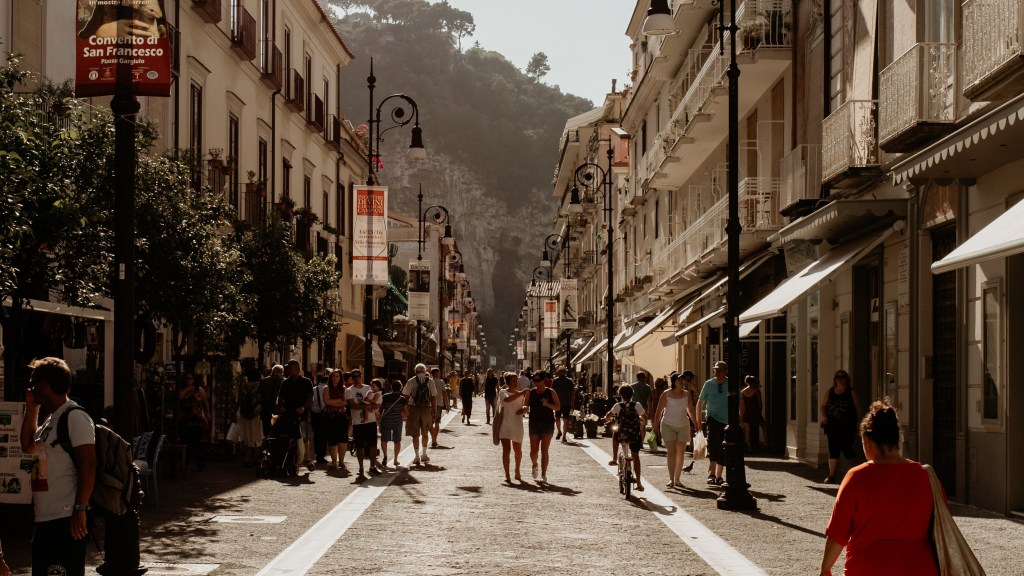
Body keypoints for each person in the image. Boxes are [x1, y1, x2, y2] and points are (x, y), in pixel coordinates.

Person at [819, 400, 938, 576]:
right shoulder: (926, 476)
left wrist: (825, 570)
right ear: (898, 440)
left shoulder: (856, 477)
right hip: (919, 568)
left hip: (868, 569)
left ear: (867, 441)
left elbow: (838, 534)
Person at [20, 357, 96, 576]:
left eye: (34, 384)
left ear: (45, 386)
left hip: (65, 519)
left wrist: (80, 509)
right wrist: (32, 408)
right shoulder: (51, 419)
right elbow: (27, 446)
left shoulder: (75, 416)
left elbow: (89, 464)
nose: (31, 388)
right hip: (45, 517)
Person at [652, 372, 696, 488]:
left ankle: (677, 479)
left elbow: (690, 410)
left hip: (683, 426)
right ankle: (671, 479)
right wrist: (655, 426)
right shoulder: (666, 394)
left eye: (682, 380)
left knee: (680, 452)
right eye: (679, 380)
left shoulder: (686, 394)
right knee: (672, 452)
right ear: (673, 381)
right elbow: (659, 410)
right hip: (668, 425)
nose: (681, 382)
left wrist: (697, 424)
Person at [820, 369, 862, 484]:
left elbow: (858, 407)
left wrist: (859, 422)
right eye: (838, 377)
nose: (840, 379)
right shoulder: (830, 391)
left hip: (847, 426)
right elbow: (823, 406)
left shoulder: (850, 392)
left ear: (846, 379)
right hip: (832, 426)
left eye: (842, 377)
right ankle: (832, 475)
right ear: (835, 379)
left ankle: (857, 473)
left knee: (847, 449)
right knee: (833, 449)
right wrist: (824, 417)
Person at [604, 384, 647, 491]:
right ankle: (638, 483)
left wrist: (606, 418)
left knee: (615, 434)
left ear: (620, 395)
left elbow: (608, 416)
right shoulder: (637, 405)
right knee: (635, 456)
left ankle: (614, 458)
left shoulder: (618, 406)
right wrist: (641, 421)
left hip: (622, 435)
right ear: (632, 394)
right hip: (634, 436)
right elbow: (645, 418)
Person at [696, 361, 730, 486]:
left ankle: (719, 476)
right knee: (713, 445)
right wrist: (698, 421)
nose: (718, 373)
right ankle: (712, 474)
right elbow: (700, 402)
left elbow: (740, 400)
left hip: (727, 420)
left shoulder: (730, 384)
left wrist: (740, 418)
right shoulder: (709, 384)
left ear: (726, 371)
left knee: (724, 448)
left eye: (720, 370)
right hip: (713, 418)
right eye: (716, 370)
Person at [278, 359, 315, 472]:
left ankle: (307, 458)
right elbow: (280, 398)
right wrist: (281, 407)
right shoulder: (285, 382)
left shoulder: (306, 381)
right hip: (288, 414)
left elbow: (310, 398)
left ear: (297, 369)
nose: (288, 370)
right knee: (289, 437)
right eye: (287, 368)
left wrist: (303, 407)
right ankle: (292, 460)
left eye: (290, 368)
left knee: (303, 436)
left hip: (301, 414)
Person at [525, 370, 559, 483]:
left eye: (538, 380)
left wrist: (547, 404)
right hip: (534, 424)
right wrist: (524, 408)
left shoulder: (551, 392)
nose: (535, 382)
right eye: (534, 380)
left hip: (548, 424)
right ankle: (535, 465)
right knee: (533, 451)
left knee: (544, 450)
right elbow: (525, 405)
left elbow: (558, 407)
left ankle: (544, 474)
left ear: (544, 380)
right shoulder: (531, 392)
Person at [346, 375, 383, 478]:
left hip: (371, 421)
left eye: (359, 376)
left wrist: (376, 406)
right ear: (352, 379)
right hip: (358, 422)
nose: (357, 378)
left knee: (373, 445)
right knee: (359, 446)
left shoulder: (369, 387)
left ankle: (372, 467)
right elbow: (352, 405)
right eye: (355, 377)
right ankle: (361, 467)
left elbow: (377, 402)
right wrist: (367, 406)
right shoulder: (349, 390)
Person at [401, 363, 437, 466]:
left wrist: (405, 409)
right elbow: (433, 397)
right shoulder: (430, 381)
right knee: (425, 432)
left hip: (414, 409)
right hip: (426, 409)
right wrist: (434, 411)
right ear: (424, 371)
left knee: (415, 434)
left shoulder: (411, 381)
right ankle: (424, 454)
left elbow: (406, 396)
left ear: (415, 371)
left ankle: (416, 456)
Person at [497, 371, 529, 482]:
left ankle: (517, 470)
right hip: (505, 424)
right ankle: (507, 474)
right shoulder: (503, 392)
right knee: (506, 450)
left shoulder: (520, 394)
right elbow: (507, 399)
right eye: (514, 381)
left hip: (517, 424)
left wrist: (524, 409)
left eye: (516, 381)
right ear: (508, 381)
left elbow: (523, 407)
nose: (516, 383)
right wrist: (521, 393)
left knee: (518, 450)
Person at [178, 373, 209, 472]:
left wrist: (208, 413)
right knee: (185, 441)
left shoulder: (199, 390)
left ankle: (200, 463)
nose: (188, 380)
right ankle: (184, 463)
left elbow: (204, 401)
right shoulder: (182, 390)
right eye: (187, 378)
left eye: (190, 378)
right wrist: (187, 389)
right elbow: (179, 397)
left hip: (197, 419)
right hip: (185, 419)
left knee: (197, 442)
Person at [234, 371, 264, 466]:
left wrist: (234, 412)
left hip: (245, 413)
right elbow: (261, 399)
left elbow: (239, 401)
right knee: (256, 435)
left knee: (247, 436)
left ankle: (247, 458)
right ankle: (255, 457)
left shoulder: (243, 386)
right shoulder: (260, 386)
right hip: (257, 413)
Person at [322, 369, 349, 469]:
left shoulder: (344, 388)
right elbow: (326, 401)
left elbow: (345, 402)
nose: (335, 378)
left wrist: (332, 401)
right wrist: (338, 400)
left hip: (341, 416)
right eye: (333, 376)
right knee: (332, 439)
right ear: (330, 377)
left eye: (337, 376)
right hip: (330, 416)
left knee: (343, 439)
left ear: (340, 378)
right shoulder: (326, 388)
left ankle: (341, 461)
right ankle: (334, 461)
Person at [379, 380, 407, 467]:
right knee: (397, 441)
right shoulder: (402, 399)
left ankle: (385, 456)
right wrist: (404, 416)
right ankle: (395, 459)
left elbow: (380, 410)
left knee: (384, 440)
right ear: (401, 388)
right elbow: (406, 412)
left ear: (391, 387)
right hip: (397, 422)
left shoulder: (385, 397)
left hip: (386, 421)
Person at [739, 374, 765, 453]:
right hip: (755, 413)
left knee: (747, 432)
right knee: (764, 426)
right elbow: (760, 403)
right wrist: (759, 412)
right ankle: (766, 443)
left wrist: (741, 416)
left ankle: (749, 448)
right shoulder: (756, 391)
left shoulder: (742, 392)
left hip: (746, 414)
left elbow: (741, 405)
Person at [550, 366, 575, 443]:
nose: (562, 373)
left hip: (563, 403)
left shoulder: (567, 381)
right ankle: (561, 432)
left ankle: (562, 434)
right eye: (561, 371)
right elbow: (552, 392)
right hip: (562, 402)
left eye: (563, 371)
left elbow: (572, 393)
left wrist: (572, 403)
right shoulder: (557, 381)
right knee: (561, 419)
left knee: (563, 419)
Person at [259, 365, 284, 436]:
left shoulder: (263, 381)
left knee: (266, 430)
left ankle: (267, 442)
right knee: (278, 431)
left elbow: (260, 397)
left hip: (265, 410)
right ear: (281, 372)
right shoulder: (283, 381)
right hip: (278, 411)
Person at [310, 373, 329, 465]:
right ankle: (322, 455)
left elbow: (311, 402)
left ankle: (318, 454)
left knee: (317, 435)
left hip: (315, 414)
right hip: (325, 414)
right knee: (324, 435)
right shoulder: (328, 389)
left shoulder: (314, 389)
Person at [429, 367, 448, 449]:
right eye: (439, 373)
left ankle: (433, 439)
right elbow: (444, 394)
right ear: (436, 373)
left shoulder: (429, 381)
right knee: (437, 423)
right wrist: (447, 405)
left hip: (429, 405)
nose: (440, 374)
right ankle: (434, 440)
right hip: (439, 404)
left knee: (430, 423)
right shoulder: (441, 382)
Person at [649, 376, 668, 448]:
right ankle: (659, 438)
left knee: (655, 424)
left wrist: (650, 410)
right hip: (663, 409)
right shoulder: (665, 392)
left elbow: (649, 402)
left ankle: (658, 438)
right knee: (660, 424)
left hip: (655, 409)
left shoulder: (653, 391)